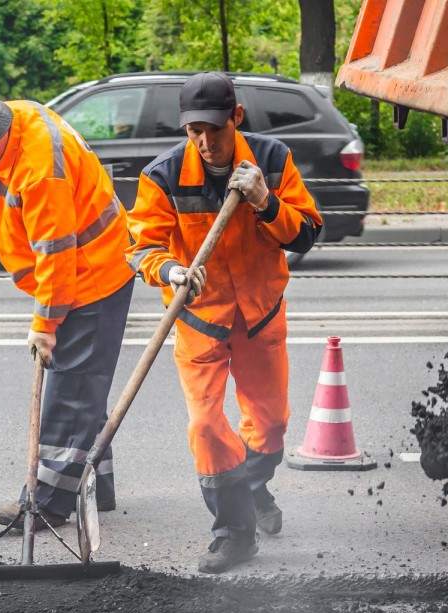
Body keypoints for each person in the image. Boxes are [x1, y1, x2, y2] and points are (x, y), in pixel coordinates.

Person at [126, 71, 322, 574]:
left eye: (215, 129)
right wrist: (169, 269)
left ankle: (252, 491)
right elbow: (142, 247)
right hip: (200, 320)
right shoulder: (163, 175)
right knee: (206, 427)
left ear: (236, 117)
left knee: (271, 424)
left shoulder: (272, 161)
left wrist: (265, 200)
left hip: (260, 317)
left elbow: (305, 234)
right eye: (194, 131)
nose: (206, 142)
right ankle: (234, 534)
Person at [0, 84, 137, 530]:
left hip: (88, 277)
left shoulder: (39, 168)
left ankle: (46, 504)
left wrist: (46, 324)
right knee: (85, 389)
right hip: (90, 267)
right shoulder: (20, 115)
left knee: (68, 396)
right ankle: (94, 486)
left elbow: (56, 252)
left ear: (0, 125)